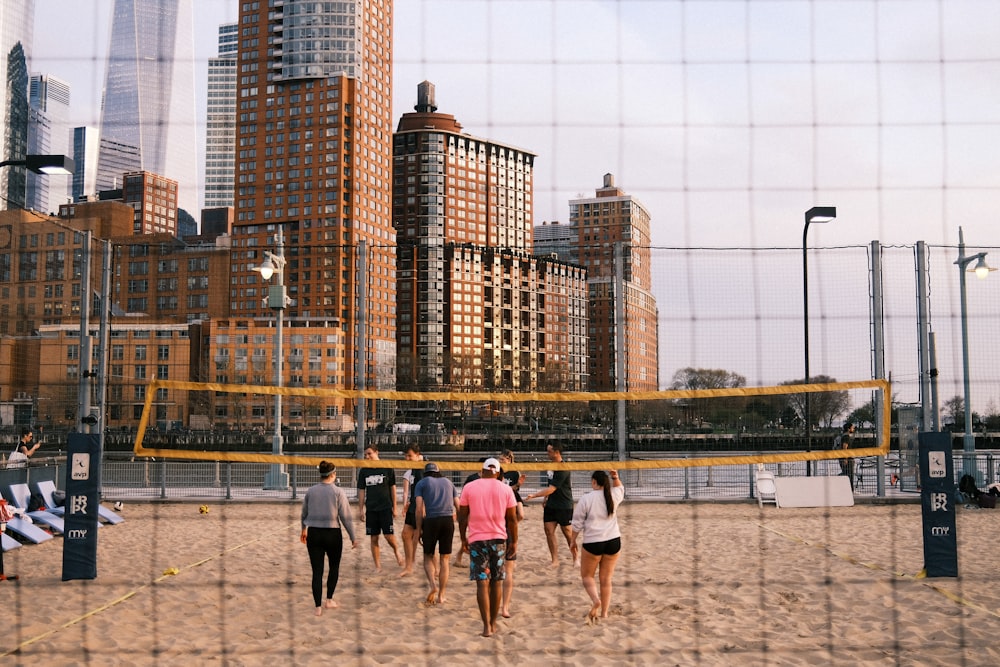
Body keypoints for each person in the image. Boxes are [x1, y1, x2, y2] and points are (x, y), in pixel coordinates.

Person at [458, 457, 518, 638]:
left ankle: (486, 627)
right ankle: (493, 622)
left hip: (478, 540)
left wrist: (463, 538)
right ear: (498, 473)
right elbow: (512, 519)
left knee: (481, 582)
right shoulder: (506, 489)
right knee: (497, 582)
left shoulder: (469, 487)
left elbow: (462, 517)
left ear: (482, 471)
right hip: (499, 540)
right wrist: (514, 541)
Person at [300, 461, 358, 616]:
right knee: (334, 567)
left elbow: (304, 514)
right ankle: (329, 600)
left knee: (317, 571)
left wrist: (303, 529)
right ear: (333, 474)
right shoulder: (338, 492)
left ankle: (317, 607)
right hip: (332, 533)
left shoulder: (311, 491)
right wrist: (353, 537)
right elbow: (346, 517)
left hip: (314, 533)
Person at [570, 469, 625, 622]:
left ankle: (595, 600)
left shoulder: (587, 498)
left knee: (587, 576)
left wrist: (572, 540)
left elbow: (577, 523)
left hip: (593, 541)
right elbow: (620, 488)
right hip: (613, 540)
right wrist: (615, 477)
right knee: (606, 579)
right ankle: (605, 613)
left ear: (594, 482)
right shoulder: (612, 495)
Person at [525, 443, 577, 567]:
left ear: (557, 452)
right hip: (551, 504)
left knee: (567, 533)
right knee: (549, 531)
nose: (547, 454)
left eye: (549, 451)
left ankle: (576, 558)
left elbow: (552, 488)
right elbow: (550, 486)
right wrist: (545, 498)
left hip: (564, 505)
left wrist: (534, 495)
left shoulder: (562, 468)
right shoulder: (551, 466)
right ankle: (555, 560)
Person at [414, 461, 459, 605]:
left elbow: (419, 509)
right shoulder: (448, 482)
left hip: (431, 521)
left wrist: (419, 528)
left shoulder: (422, 483)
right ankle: (442, 595)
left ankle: (433, 585)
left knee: (428, 556)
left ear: (425, 473)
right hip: (447, 520)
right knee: (444, 560)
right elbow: (458, 505)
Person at [357, 445, 403, 572]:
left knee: (389, 535)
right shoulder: (364, 470)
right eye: (365, 454)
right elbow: (361, 490)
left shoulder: (386, 466)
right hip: (371, 508)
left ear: (377, 452)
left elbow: (393, 488)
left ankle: (397, 551)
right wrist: (361, 509)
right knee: (374, 537)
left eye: (369, 454)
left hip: (385, 506)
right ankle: (378, 566)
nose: (367, 457)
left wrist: (395, 507)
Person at [498, 449, 525, 618]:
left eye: (503, 458)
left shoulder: (513, 472)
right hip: (506, 518)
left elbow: (514, 490)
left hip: (511, 500)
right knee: (506, 570)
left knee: (520, 515)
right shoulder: (498, 474)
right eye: (499, 458)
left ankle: (502, 606)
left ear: (509, 460)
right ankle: (504, 607)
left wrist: (517, 484)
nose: (501, 460)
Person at [399, 444, 424, 577]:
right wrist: (408, 503)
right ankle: (409, 566)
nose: (407, 458)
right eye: (406, 456)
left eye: (410, 455)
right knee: (406, 535)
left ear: (417, 454)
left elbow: (426, 491)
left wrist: (422, 508)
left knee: (427, 539)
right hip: (413, 506)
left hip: (422, 508)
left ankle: (437, 568)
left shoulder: (421, 469)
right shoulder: (414, 469)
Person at [838, 422, 856, 488]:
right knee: (849, 475)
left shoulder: (843, 435)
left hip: (844, 458)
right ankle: (850, 489)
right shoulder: (846, 436)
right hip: (848, 459)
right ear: (848, 429)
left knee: (846, 473)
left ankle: (845, 487)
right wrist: (845, 458)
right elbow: (844, 447)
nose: (853, 429)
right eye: (852, 428)